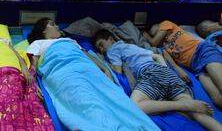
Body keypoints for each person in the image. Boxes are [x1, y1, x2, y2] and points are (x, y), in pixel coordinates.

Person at [27, 18, 160, 131]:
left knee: (115, 99)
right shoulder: (38, 43)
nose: (56, 26)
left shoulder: (70, 41)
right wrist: (32, 84)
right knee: (86, 101)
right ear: (43, 30)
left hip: (88, 68)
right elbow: (33, 65)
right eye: (52, 24)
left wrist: (105, 69)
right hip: (64, 70)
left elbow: (87, 55)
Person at [94, 30, 222, 131]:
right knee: (196, 112)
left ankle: (182, 105)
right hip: (167, 73)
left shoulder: (112, 49)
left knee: (136, 105)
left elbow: (117, 70)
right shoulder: (131, 46)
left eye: (101, 45)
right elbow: (157, 55)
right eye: (99, 48)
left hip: (150, 73)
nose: (101, 49)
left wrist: (100, 59)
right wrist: (165, 71)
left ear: (111, 39)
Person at [143, 20, 222, 109]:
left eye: (154, 29)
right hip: (195, 67)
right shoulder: (163, 45)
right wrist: (178, 69)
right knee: (218, 100)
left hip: (202, 52)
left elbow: (153, 42)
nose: (153, 32)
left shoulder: (166, 24)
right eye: (152, 33)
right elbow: (165, 54)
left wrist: (146, 35)